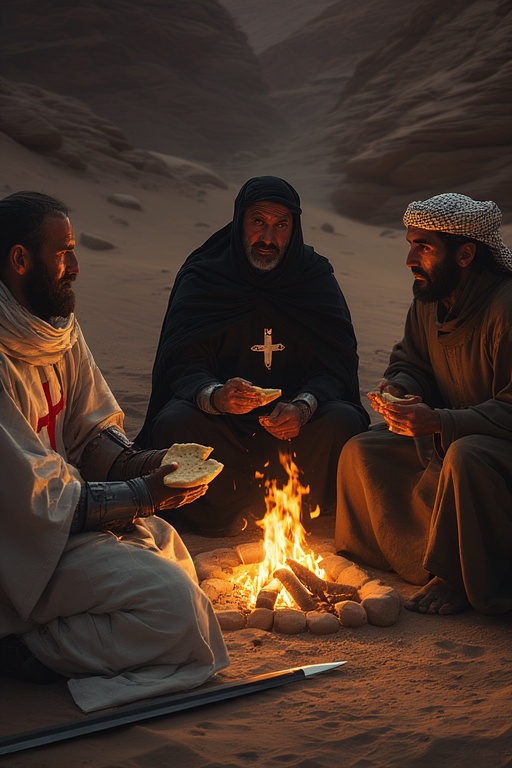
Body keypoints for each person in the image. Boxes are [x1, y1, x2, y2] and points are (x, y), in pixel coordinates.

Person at [0, 191, 229, 712]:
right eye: (65, 252)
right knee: (172, 608)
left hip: (59, 521)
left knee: (171, 553)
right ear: (19, 259)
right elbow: (27, 498)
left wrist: (147, 465)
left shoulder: (55, 330)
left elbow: (90, 433)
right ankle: (23, 648)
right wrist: (141, 494)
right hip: (20, 543)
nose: (76, 266)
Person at [136, 176, 369, 536]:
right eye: (258, 221)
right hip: (223, 425)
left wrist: (303, 407)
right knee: (174, 423)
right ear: (239, 221)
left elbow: (335, 364)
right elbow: (182, 361)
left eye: (281, 225)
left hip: (293, 429)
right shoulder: (206, 276)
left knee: (343, 422)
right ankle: (235, 509)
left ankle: (295, 508)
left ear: (295, 229)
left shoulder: (314, 278)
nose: (268, 238)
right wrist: (216, 396)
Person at [335, 192, 512, 616]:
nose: (410, 259)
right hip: (446, 432)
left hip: (494, 443)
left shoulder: (506, 308)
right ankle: (414, 557)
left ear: (466, 254)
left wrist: (439, 421)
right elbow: (412, 361)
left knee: (466, 456)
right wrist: (399, 387)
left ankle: (458, 576)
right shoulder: (430, 299)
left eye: (424, 247)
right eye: (410, 244)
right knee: (363, 449)